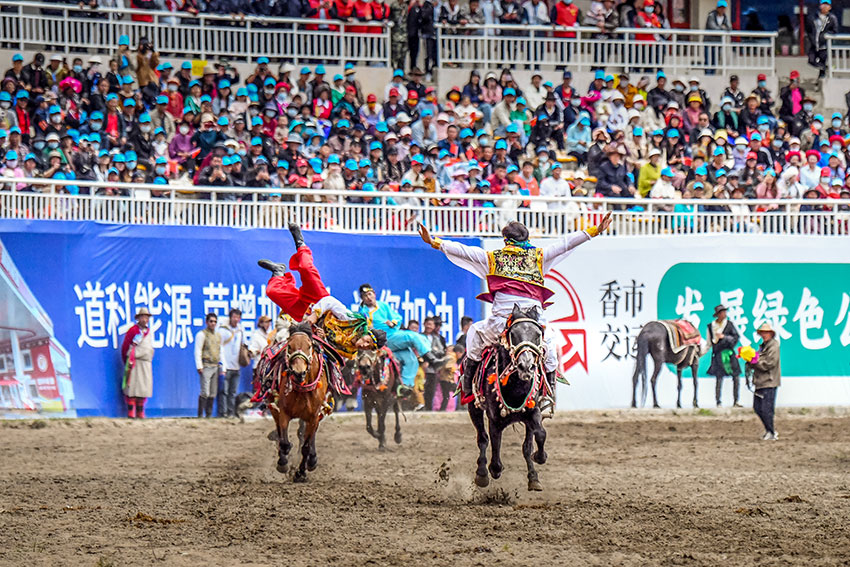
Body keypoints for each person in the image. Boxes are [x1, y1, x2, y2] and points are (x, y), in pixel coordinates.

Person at [417, 215, 612, 411]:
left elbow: (463, 251)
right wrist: (594, 230)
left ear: (505, 239)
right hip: (534, 323)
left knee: (475, 333)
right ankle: (549, 392)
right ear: (526, 238)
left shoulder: (493, 257)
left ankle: (469, 385)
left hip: (502, 324)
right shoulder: (538, 256)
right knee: (550, 346)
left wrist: (435, 242)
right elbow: (565, 244)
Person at [258, 224, 384, 360]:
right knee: (306, 268)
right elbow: (330, 302)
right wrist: (314, 317)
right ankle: (300, 242)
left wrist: (323, 339)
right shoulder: (353, 322)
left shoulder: (350, 353)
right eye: (367, 341)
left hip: (306, 318)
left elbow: (329, 357)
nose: (364, 345)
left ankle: (278, 272)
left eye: (369, 347)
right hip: (319, 300)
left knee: (272, 292)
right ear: (367, 334)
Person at [358, 283, 433, 396]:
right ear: (362, 299)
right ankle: (430, 358)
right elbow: (365, 329)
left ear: (374, 294)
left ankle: (404, 387)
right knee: (411, 336)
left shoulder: (383, 305)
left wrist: (393, 322)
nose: (369, 298)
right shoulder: (363, 312)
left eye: (370, 294)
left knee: (411, 359)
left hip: (394, 335)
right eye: (365, 296)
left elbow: (397, 317)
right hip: (384, 339)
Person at [747, 322, 781, 440]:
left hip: (769, 381)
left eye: (766, 332)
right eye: (763, 332)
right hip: (761, 381)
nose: (764, 335)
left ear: (771, 333)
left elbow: (770, 364)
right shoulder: (763, 346)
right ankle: (769, 430)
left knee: (766, 409)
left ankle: (771, 431)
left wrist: (754, 362)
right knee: (758, 407)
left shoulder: (773, 346)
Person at [120, 307, 155, 419]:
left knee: (143, 387)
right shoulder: (133, 331)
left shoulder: (149, 332)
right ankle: (131, 412)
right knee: (132, 386)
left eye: (146, 317)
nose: (145, 319)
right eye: (143, 317)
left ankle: (140, 411)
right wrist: (128, 360)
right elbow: (126, 346)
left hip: (145, 363)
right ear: (138, 318)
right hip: (135, 362)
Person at [706, 304, 742, 408]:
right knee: (719, 377)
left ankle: (736, 400)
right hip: (718, 354)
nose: (724, 314)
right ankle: (718, 401)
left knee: (736, 376)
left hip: (729, 353)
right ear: (718, 315)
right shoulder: (711, 326)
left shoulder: (729, 325)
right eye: (722, 312)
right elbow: (709, 342)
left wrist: (724, 337)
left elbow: (735, 337)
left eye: (725, 312)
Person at [218, 308, 246, 418]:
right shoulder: (222, 330)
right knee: (224, 391)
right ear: (230, 317)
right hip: (226, 365)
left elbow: (243, 345)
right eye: (234, 317)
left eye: (238, 317)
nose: (236, 319)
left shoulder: (240, 330)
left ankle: (231, 412)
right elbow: (219, 348)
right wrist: (222, 366)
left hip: (236, 366)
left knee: (233, 392)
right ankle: (223, 413)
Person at [193, 312, 222, 418]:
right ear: (206, 322)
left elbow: (220, 351)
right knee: (205, 391)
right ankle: (200, 414)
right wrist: (199, 365)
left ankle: (208, 415)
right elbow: (198, 350)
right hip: (206, 365)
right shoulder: (202, 334)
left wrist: (222, 365)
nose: (213, 323)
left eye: (215, 321)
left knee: (213, 392)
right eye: (211, 321)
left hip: (215, 365)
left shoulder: (218, 335)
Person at [422, 316, 448, 411]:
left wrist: (432, 352)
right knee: (421, 388)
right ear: (424, 324)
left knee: (431, 390)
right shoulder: (420, 336)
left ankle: (428, 408)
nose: (429, 326)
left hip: (433, 367)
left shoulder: (436, 338)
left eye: (431, 324)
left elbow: (441, 351)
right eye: (427, 324)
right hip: (421, 366)